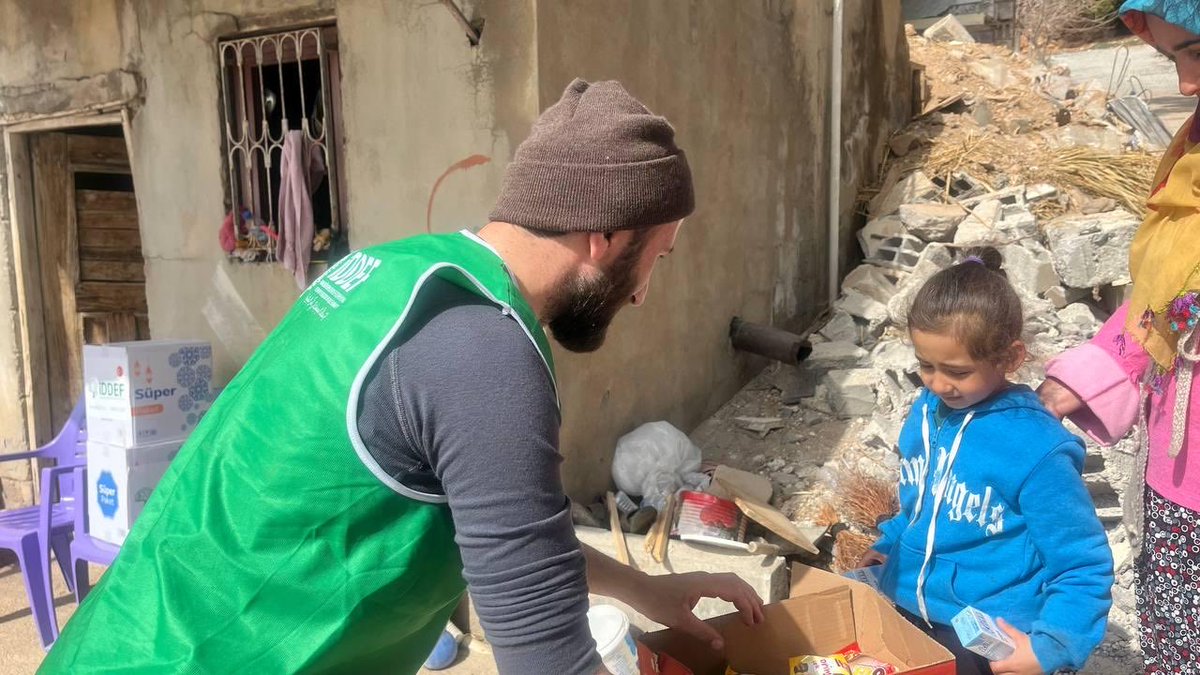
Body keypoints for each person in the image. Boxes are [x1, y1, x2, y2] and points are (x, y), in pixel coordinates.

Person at [42, 79, 764, 674]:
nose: (642, 296)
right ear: (604, 234)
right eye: (655, 258)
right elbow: (552, 662)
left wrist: (643, 589)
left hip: (123, 638)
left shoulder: (401, 274)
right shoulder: (484, 351)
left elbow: (508, 538)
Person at [1036, 3, 1200, 672]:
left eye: (1198, 52)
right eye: (1175, 58)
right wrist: (1084, 377)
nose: (1186, 84)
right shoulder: (1189, 162)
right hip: (1181, 470)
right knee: (1177, 641)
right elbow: (1165, 304)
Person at [860, 248, 1113, 675]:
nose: (938, 384)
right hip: (907, 608)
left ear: (1010, 358)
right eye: (925, 366)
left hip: (986, 636)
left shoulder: (1036, 449)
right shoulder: (927, 411)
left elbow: (1082, 563)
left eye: (957, 372)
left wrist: (1051, 647)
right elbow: (920, 502)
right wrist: (890, 545)